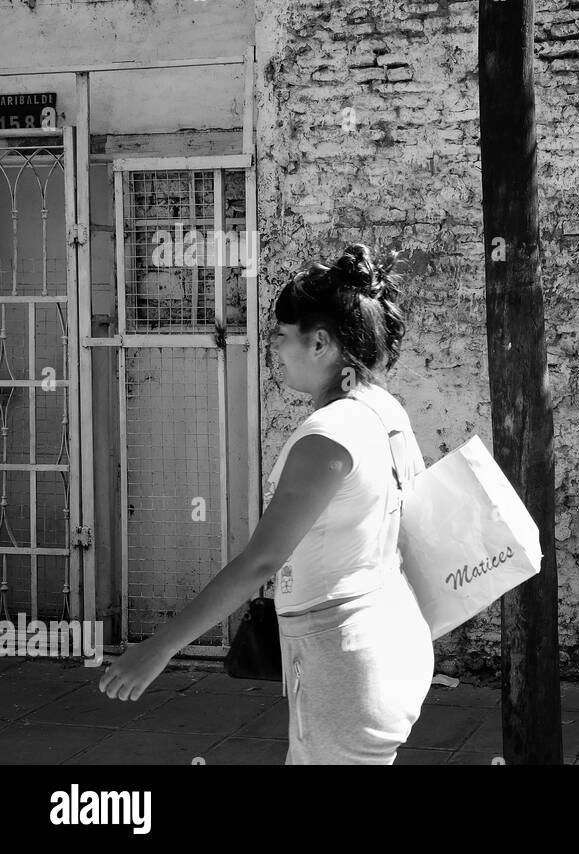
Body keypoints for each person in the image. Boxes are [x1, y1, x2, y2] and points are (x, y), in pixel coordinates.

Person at [99, 243, 433, 765]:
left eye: (282, 337)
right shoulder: (384, 410)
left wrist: (158, 648)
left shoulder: (331, 434)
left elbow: (260, 562)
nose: (275, 350)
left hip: (345, 661)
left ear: (320, 342)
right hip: (386, 640)